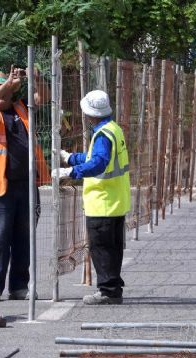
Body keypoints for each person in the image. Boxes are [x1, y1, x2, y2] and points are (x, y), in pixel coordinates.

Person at [0, 65, 50, 301]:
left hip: (27, 186)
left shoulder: (22, 109)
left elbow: (45, 97)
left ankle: (19, 286)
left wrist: (35, 77)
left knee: (23, 239)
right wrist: (7, 84)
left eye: (1, 89)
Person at [53, 90, 131, 305]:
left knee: (102, 249)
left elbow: (98, 163)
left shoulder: (103, 134)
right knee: (113, 249)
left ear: (89, 113)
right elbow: (93, 157)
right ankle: (113, 288)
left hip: (102, 202)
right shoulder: (113, 130)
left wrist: (71, 172)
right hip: (115, 201)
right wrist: (70, 158)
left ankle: (108, 291)